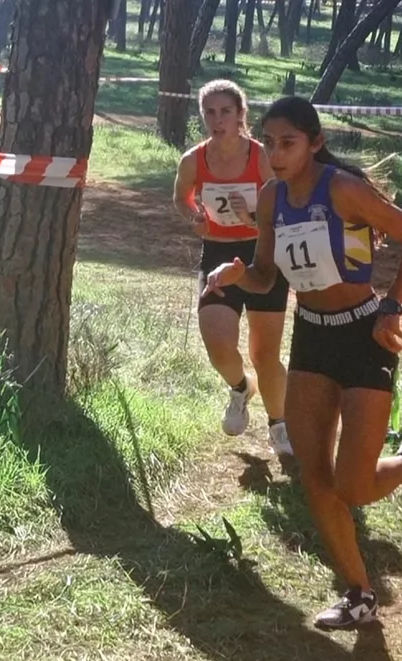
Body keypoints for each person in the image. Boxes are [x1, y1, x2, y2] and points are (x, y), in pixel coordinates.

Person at [203, 96, 402, 631]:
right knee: (314, 478)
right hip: (312, 337)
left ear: (315, 143)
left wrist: (393, 304)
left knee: (353, 485)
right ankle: (359, 592)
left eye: (287, 142)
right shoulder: (270, 198)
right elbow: (268, 276)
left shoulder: (343, 188)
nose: (275, 153)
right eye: (268, 142)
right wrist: (239, 273)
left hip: (363, 334)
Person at [172, 80, 292, 454]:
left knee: (264, 353)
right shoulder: (194, 159)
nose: (216, 119)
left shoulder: (261, 157)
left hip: (262, 256)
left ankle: (279, 425)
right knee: (217, 344)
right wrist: (194, 217)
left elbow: (285, 208)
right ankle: (241, 388)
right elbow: (181, 197)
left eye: (225, 111)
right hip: (218, 255)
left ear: (242, 115)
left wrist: (254, 216)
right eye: (209, 112)